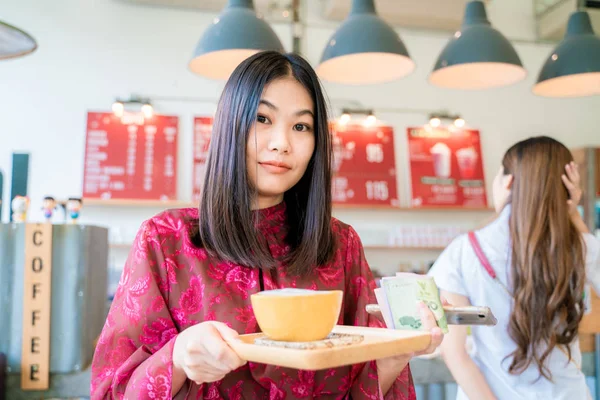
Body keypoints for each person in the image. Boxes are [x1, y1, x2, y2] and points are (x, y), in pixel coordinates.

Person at [90, 51, 443, 399]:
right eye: (262, 119)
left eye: (301, 126)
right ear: (231, 125)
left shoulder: (340, 245)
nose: (281, 144)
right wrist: (178, 357)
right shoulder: (166, 240)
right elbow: (111, 391)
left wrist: (397, 354)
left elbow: (361, 389)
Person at [429, 136, 600, 400]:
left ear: (507, 182)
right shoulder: (582, 247)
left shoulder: (465, 250)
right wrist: (573, 213)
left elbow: (454, 353)